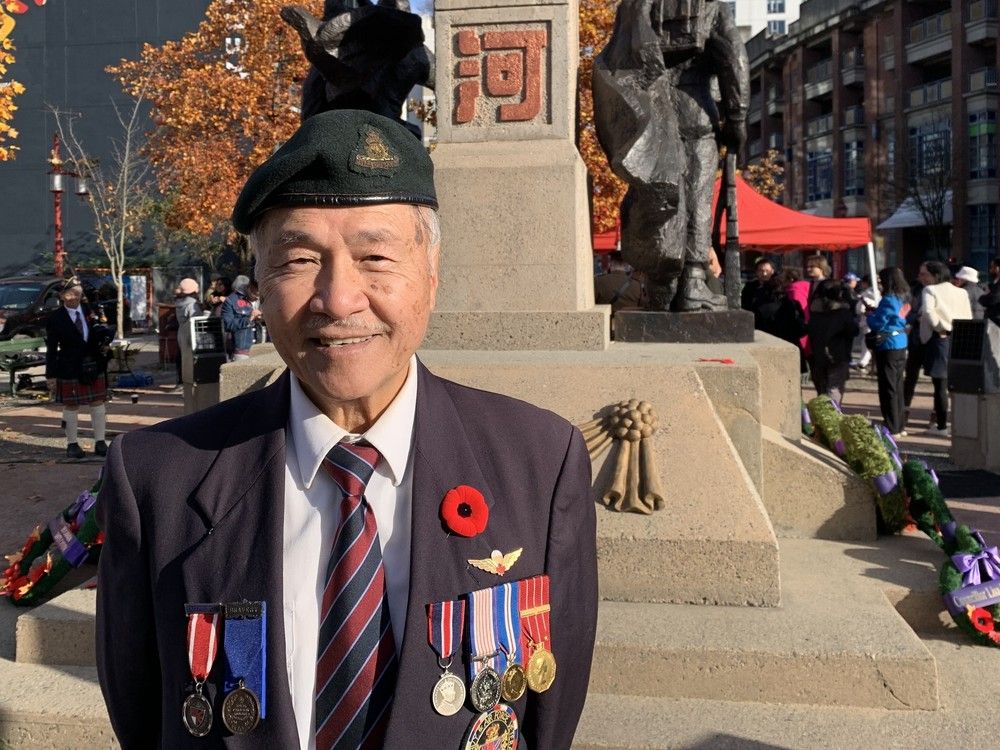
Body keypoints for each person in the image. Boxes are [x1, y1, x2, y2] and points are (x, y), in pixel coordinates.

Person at [95, 109, 598, 750]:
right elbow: (143, 717)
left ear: (432, 272)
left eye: (376, 257)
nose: (338, 297)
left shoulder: (539, 462)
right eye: (300, 260)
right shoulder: (157, 477)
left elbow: (548, 725)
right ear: (260, 282)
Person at [44, 278, 112, 458]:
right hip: (69, 366)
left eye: (78, 292)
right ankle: (72, 444)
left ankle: (100, 442)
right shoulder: (55, 318)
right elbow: (51, 350)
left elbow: (102, 331)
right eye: (72, 293)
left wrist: (105, 339)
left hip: (93, 363)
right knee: (71, 405)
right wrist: (50, 375)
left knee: (98, 403)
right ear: (62, 296)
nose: (76, 296)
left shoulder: (90, 311)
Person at [918, 261, 973, 435]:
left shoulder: (930, 290)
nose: (921, 277)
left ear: (935, 275)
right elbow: (968, 315)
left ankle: (941, 426)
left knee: (940, 385)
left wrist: (939, 327)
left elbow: (927, 311)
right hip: (961, 337)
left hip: (940, 338)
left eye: (924, 274)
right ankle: (962, 424)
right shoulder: (961, 291)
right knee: (959, 384)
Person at [867, 268, 910, 437]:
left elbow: (878, 324)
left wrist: (870, 315)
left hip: (888, 343)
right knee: (898, 386)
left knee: (888, 386)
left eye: (880, 280)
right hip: (901, 342)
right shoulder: (904, 298)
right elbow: (901, 318)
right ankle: (900, 424)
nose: (879, 283)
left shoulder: (888, 299)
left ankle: (891, 426)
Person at [806, 279, 858, 404]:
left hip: (818, 354)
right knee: (834, 388)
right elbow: (853, 331)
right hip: (838, 355)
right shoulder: (843, 313)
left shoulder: (814, 311)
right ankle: (832, 417)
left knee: (822, 389)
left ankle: (823, 417)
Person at [221, 274, 261, 360]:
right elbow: (227, 325)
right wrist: (249, 319)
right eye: (255, 294)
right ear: (249, 287)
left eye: (260, 295)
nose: (257, 298)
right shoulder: (231, 301)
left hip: (263, 350)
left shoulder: (263, 299)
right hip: (242, 351)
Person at [173, 278, 204, 387]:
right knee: (192, 359)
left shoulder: (179, 302)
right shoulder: (192, 304)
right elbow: (197, 320)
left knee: (183, 357)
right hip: (191, 333)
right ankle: (192, 381)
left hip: (181, 333)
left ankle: (182, 381)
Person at [980, 257, 1000, 326]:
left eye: (992, 267)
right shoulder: (993, 282)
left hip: (996, 320)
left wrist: (982, 298)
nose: (990, 269)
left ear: (997, 268)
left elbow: (993, 299)